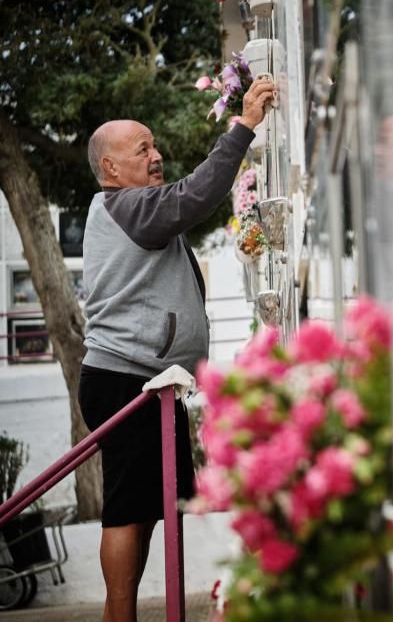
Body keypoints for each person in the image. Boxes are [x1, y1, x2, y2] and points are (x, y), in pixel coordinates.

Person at [80, 78, 275, 622]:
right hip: (127, 382)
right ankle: (120, 615)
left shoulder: (135, 209)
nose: (157, 154)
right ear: (112, 168)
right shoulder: (128, 206)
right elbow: (194, 196)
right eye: (142, 148)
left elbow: (188, 202)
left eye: (154, 144)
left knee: (143, 511)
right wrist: (242, 128)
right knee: (127, 512)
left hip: (145, 381)